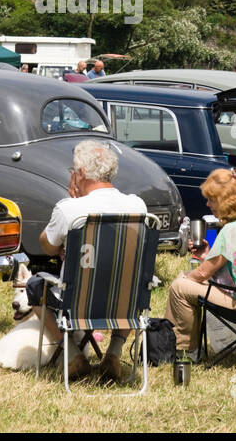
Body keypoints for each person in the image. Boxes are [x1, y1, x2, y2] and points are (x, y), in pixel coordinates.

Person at [27, 140, 147, 382]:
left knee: (33, 286)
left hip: (79, 301)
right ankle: (114, 352)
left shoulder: (70, 210)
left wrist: (69, 225)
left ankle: (72, 355)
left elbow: (48, 247)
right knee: (129, 281)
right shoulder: (138, 205)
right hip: (126, 300)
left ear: (80, 173)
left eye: (73, 170)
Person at [165, 169, 236, 373]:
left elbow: (202, 274)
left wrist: (189, 274)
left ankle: (184, 350)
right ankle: (172, 340)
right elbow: (232, 264)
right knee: (183, 281)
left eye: (211, 200)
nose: (207, 204)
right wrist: (207, 252)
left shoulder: (230, 231)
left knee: (180, 286)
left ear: (225, 201)